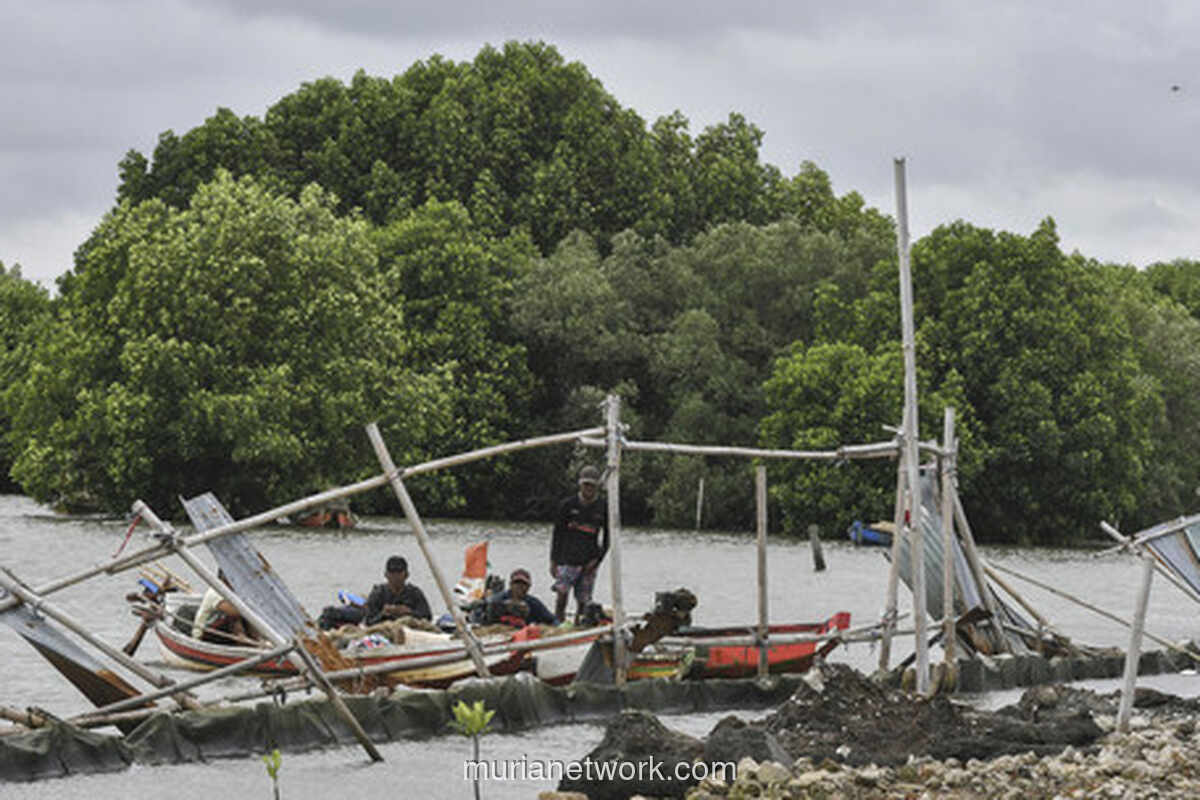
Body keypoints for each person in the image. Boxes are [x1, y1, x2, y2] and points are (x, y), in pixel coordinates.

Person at [549, 465, 609, 623]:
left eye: (592, 485)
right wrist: (553, 561)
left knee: (583, 600)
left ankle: (579, 625)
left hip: (589, 559)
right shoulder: (567, 505)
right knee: (561, 594)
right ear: (580, 484)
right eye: (586, 484)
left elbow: (608, 538)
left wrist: (597, 560)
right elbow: (557, 534)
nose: (588, 488)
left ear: (597, 487)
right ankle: (558, 623)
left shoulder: (603, 507)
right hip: (567, 558)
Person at [191, 570, 255, 644]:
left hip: (220, 631)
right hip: (204, 634)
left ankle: (257, 640)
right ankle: (244, 642)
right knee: (236, 615)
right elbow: (234, 612)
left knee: (245, 617)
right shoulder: (215, 592)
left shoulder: (230, 591)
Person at [363, 556, 432, 625]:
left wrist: (408, 612)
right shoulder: (378, 594)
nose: (395, 576)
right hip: (385, 630)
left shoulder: (415, 593)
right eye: (392, 572)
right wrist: (383, 614)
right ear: (386, 574)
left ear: (406, 575)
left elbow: (427, 617)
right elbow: (369, 621)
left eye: (399, 572)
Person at [485, 568, 557, 627]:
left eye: (523, 584)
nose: (519, 586)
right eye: (516, 583)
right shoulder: (498, 600)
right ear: (510, 585)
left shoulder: (533, 603)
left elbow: (552, 620)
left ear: (528, 587)